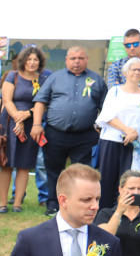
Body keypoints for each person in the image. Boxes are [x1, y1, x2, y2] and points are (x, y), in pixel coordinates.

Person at [31, 46, 108, 216]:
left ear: (87, 59)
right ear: (66, 60)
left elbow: (106, 108)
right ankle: (53, 204)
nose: (77, 62)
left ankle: (83, 202)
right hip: (55, 133)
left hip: (84, 135)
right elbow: (40, 102)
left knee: (83, 172)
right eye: (73, 58)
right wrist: (37, 125)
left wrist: (100, 127)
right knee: (53, 170)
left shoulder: (97, 80)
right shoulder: (54, 78)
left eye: (80, 58)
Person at [96, 58, 140, 210]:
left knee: (130, 181)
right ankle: (104, 212)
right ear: (125, 72)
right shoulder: (114, 91)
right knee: (107, 178)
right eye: (133, 69)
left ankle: (128, 213)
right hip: (111, 141)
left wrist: (135, 132)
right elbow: (107, 116)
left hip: (134, 145)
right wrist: (126, 130)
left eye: (139, 70)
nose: (136, 72)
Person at [0, 46, 49, 213]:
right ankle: (3, 203)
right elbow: (7, 99)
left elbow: (45, 104)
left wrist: (27, 115)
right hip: (9, 122)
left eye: (35, 59)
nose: (32, 62)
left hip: (32, 123)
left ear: (40, 62)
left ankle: (18, 203)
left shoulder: (44, 79)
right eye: (29, 59)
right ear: (23, 61)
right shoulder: (13, 76)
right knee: (6, 164)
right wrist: (17, 118)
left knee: (24, 164)